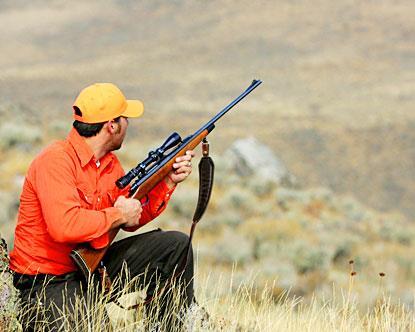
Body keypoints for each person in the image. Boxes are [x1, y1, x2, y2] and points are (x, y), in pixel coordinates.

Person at [9, 83, 196, 330]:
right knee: (94, 326)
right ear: (112, 125)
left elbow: (131, 216)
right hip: (45, 283)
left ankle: (169, 326)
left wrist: (168, 182)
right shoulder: (55, 160)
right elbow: (64, 226)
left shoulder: (109, 164)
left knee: (175, 247)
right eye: (125, 118)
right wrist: (118, 214)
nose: (128, 124)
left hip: (91, 271)